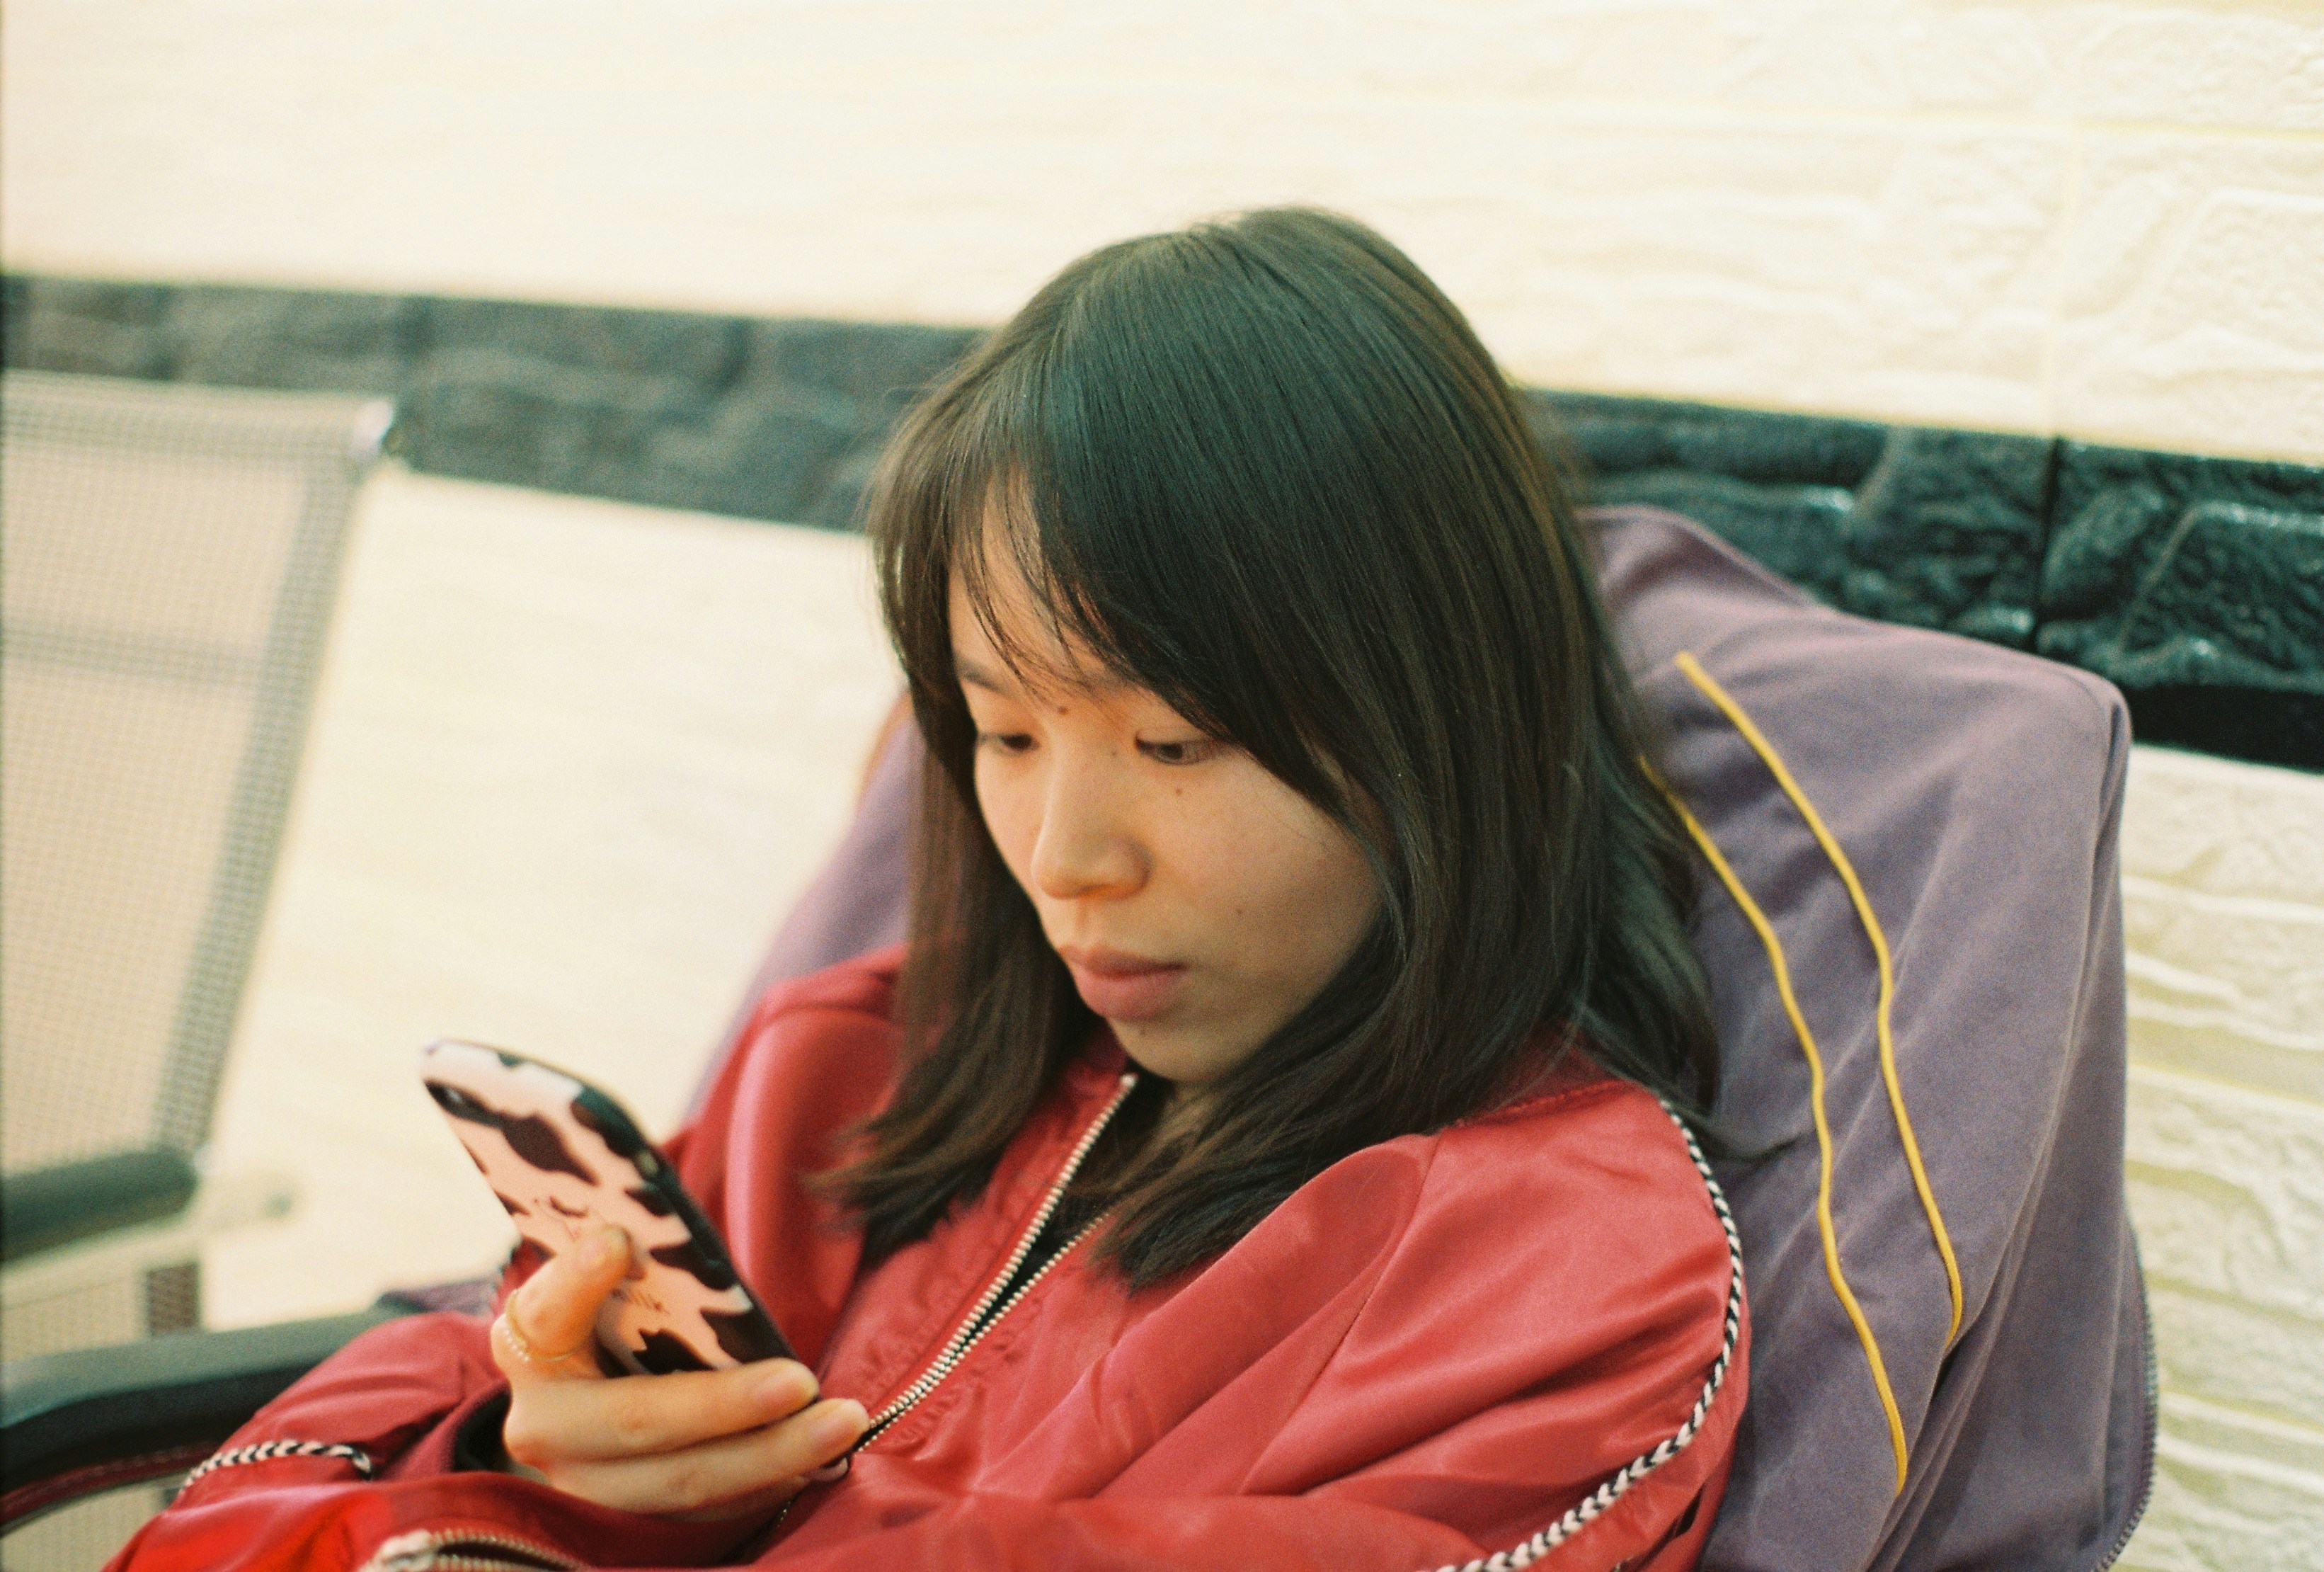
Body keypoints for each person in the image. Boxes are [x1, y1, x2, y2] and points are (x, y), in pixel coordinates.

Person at [109, 207, 1747, 1572]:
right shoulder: (840, 1070)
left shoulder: (1566, 1265)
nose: (1063, 855)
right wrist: (538, 1443)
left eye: (1173, 741)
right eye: (1000, 730)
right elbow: (380, 1432)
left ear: (1437, 716)